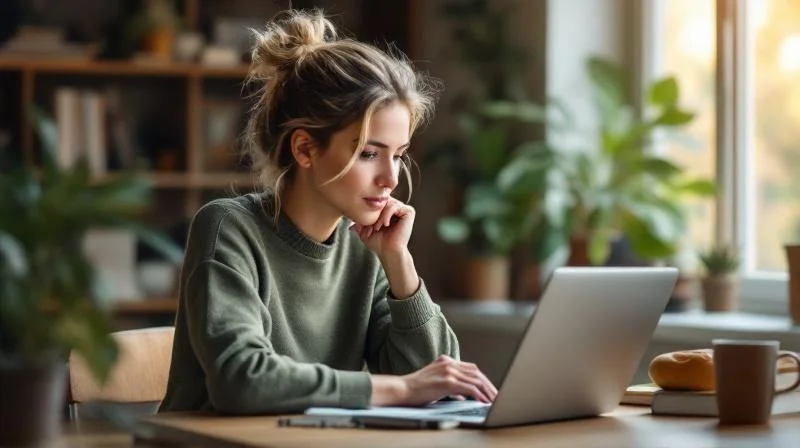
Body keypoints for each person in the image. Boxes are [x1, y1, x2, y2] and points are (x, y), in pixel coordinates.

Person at [158, 9, 497, 415]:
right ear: (304, 149)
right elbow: (243, 381)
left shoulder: (366, 249)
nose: (390, 178)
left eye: (400, 156)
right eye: (369, 153)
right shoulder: (229, 228)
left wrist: (399, 266)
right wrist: (401, 390)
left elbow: (440, 382)